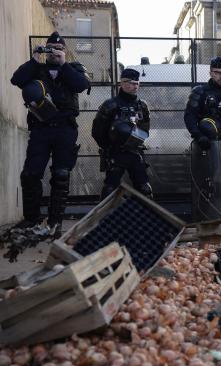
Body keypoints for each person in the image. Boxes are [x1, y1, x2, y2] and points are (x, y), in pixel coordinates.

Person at [10, 31, 90, 236]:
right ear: (45, 50)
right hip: (41, 128)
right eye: (51, 49)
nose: (55, 52)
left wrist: (64, 65)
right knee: (30, 174)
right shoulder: (37, 69)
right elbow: (16, 80)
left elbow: (81, 85)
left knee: (61, 175)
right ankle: (31, 219)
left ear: (65, 51)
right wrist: (34, 60)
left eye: (59, 49)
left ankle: (55, 223)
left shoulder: (73, 68)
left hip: (65, 129)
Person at [91, 68, 152, 200]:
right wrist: (109, 147)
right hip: (116, 153)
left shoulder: (142, 106)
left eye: (137, 83)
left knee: (145, 189)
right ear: (122, 83)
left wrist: (134, 139)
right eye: (131, 83)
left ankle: (144, 219)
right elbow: (97, 131)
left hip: (135, 153)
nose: (135, 86)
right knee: (110, 190)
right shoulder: (110, 105)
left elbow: (145, 130)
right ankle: (106, 219)